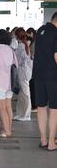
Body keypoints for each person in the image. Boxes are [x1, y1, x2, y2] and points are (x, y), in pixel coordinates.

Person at [32, 12, 57, 150]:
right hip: (53, 77)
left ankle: (43, 140)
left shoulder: (41, 30)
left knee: (41, 107)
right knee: (54, 109)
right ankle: (52, 142)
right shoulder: (56, 33)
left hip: (38, 76)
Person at [0, 29, 18, 138]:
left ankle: (7, 132)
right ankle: (7, 128)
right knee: (8, 107)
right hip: (10, 83)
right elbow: (15, 65)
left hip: (0, 83)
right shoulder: (11, 50)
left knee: (1, 109)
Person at [13, 28, 33, 121]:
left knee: (25, 94)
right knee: (22, 94)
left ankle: (26, 115)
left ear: (17, 36)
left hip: (23, 73)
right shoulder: (24, 45)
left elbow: (22, 60)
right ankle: (20, 113)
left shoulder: (21, 46)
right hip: (23, 72)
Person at [26, 28, 37, 112]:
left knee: (32, 86)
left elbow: (32, 55)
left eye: (28, 34)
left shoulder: (33, 43)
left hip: (33, 67)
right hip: (32, 67)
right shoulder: (33, 42)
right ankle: (34, 105)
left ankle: (34, 106)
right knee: (32, 86)